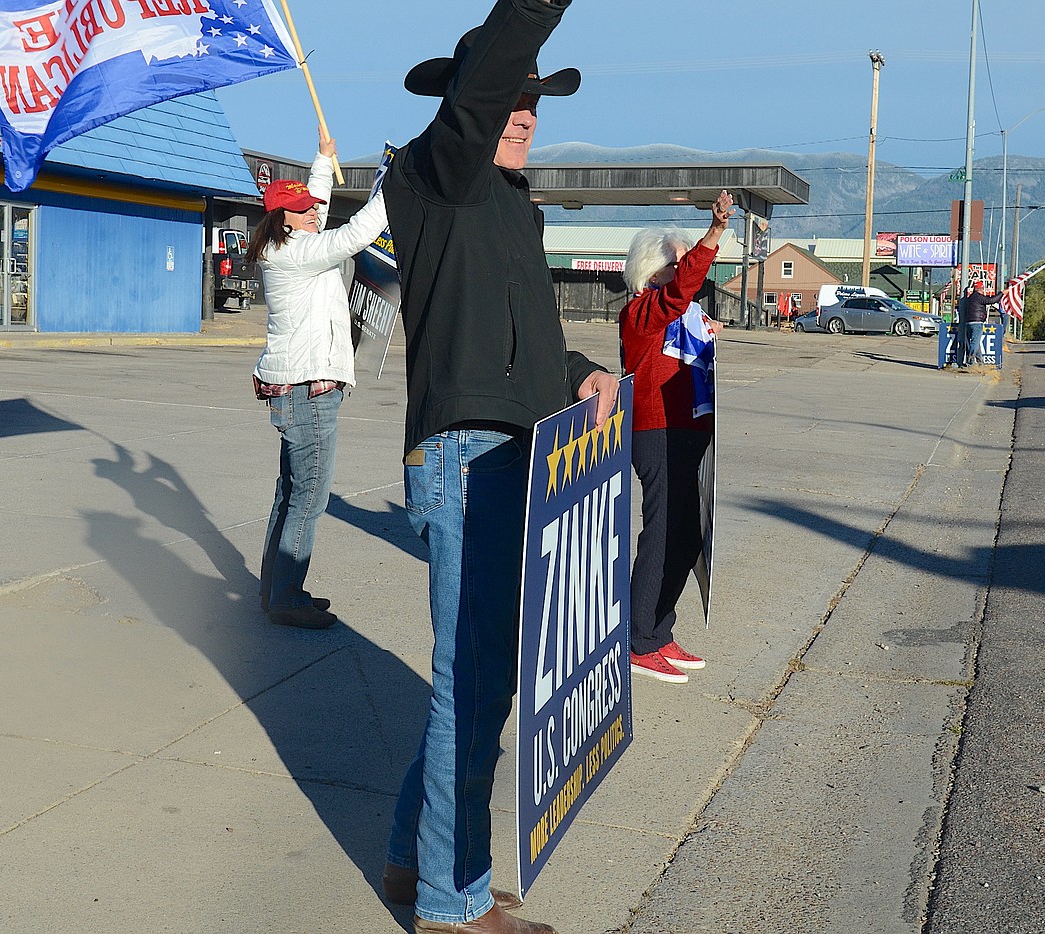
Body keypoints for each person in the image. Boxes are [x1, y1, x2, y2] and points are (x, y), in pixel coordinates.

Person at [379, 3, 618, 932]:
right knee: (473, 685)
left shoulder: (511, 209)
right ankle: (453, 903)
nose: (524, 111)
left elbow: (530, 346)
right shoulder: (440, 174)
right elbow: (482, 95)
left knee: (477, 683)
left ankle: (414, 857)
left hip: (518, 455)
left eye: (535, 101)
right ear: (467, 105)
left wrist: (583, 372)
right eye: (508, 96)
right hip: (469, 458)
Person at [249, 126, 389, 630]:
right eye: (303, 208)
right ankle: (286, 597)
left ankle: (279, 590)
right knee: (310, 495)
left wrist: (323, 160)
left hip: (300, 389)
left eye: (312, 205)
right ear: (282, 218)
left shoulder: (289, 243)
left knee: (292, 492)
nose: (313, 211)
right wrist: (389, 191)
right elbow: (354, 235)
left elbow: (324, 215)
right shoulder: (297, 253)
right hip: (308, 392)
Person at [618, 193, 733, 684]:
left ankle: (660, 630)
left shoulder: (682, 317)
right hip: (657, 431)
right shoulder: (643, 311)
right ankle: (637, 637)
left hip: (691, 429)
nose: (688, 269)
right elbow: (677, 295)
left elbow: (685, 307)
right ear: (652, 269)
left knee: (689, 537)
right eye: (679, 260)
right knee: (662, 532)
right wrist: (713, 234)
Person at [956, 281, 1002, 369]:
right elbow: (991, 300)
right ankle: (970, 363)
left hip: (968, 322)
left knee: (975, 343)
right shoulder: (978, 297)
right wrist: (1001, 294)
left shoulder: (970, 298)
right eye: (982, 288)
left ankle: (980, 363)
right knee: (975, 343)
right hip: (977, 323)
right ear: (980, 289)